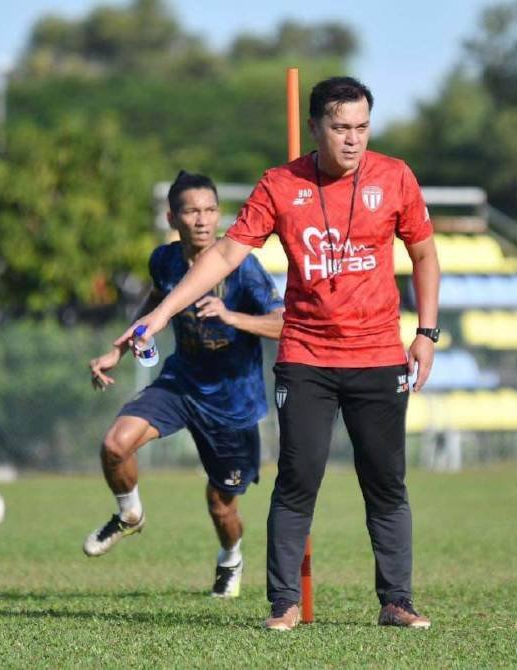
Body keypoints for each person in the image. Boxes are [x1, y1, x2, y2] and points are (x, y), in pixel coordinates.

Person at [118, 77, 440, 630]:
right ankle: (284, 603)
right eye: (340, 128)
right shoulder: (279, 184)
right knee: (298, 479)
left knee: (386, 483)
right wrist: (163, 311)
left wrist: (426, 334)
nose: (353, 139)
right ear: (314, 127)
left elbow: (425, 255)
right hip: (307, 357)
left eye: (362, 127)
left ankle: (397, 601)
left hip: (378, 356)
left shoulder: (395, 177)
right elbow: (223, 255)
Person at [85, 170, 285, 599]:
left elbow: (284, 322)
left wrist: (233, 317)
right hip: (181, 382)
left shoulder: (244, 269)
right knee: (115, 446)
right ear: (173, 216)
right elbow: (158, 299)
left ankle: (230, 558)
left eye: (211, 210)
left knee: (221, 503)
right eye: (192, 211)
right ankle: (130, 513)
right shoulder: (165, 259)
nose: (203, 220)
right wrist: (117, 350)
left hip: (234, 403)